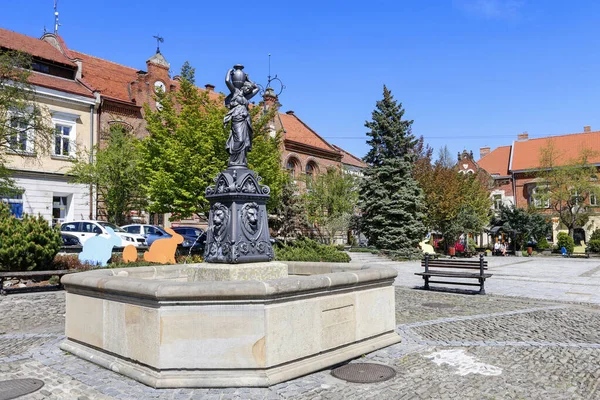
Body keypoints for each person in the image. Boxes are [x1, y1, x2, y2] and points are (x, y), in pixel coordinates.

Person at [223, 67, 259, 167]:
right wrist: (229, 72)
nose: (249, 89)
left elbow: (257, 88)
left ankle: (241, 161)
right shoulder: (235, 92)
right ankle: (233, 160)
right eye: (247, 88)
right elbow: (227, 81)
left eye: (249, 89)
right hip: (237, 119)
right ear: (243, 87)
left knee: (244, 140)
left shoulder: (246, 97)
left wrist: (248, 79)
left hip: (245, 120)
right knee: (239, 139)